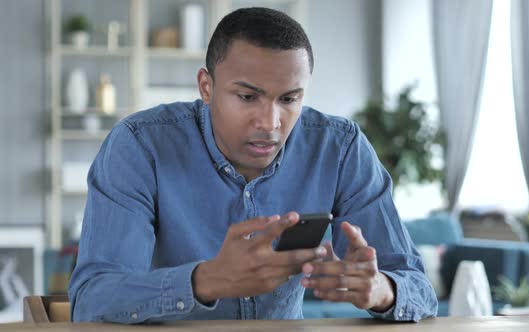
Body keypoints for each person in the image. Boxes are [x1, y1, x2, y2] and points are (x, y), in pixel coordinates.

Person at [68, 7, 437, 323]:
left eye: (289, 99)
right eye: (247, 96)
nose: (270, 122)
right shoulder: (139, 145)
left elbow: (419, 289)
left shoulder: (340, 148)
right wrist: (206, 280)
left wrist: (380, 289)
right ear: (206, 86)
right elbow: (91, 300)